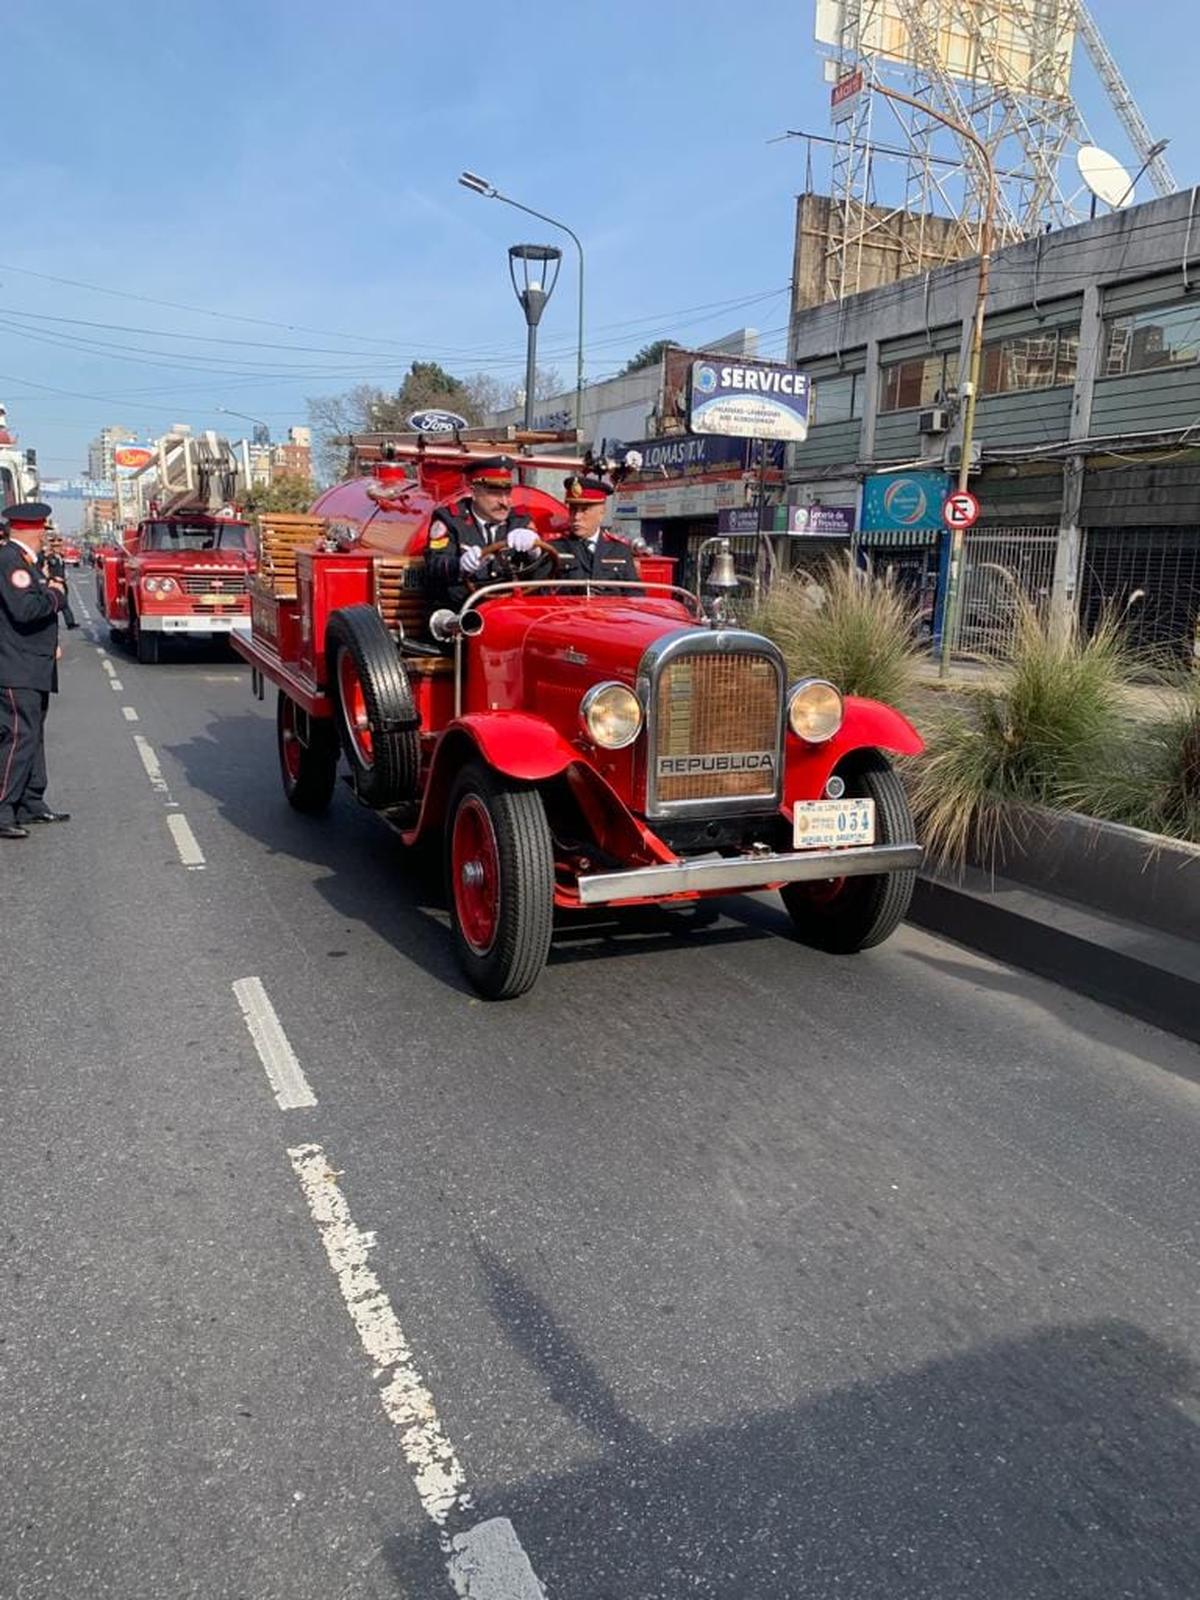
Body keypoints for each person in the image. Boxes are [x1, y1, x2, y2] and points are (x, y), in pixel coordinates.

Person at [0, 502, 70, 839]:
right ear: (33, 530)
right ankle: (3, 809)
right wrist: (56, 594)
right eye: (43, 530)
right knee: (18, 737)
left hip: (32, 663)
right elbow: (26, 609)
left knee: (33, 735)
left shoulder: (26, 561)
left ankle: (30, 801)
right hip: (17, 665)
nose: (45, 536)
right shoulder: (11, 561)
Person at [423, 455, 540, 610]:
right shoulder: (450, 520)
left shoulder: (519, 521)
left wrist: (535, 550)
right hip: (462, 610)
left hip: (509, 610)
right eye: (495, 493)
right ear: (473, 492)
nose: (504, 502)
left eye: (507, 493)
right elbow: (433, 565)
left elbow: (546, 568)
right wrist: (459, 565)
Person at [557, 475, 641, 588]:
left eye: (584, 510)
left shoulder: (620, 551)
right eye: (573, 509)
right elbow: (540, 592)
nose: (576, 517)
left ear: (602, 513)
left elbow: (634, 592)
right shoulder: (555, 549)